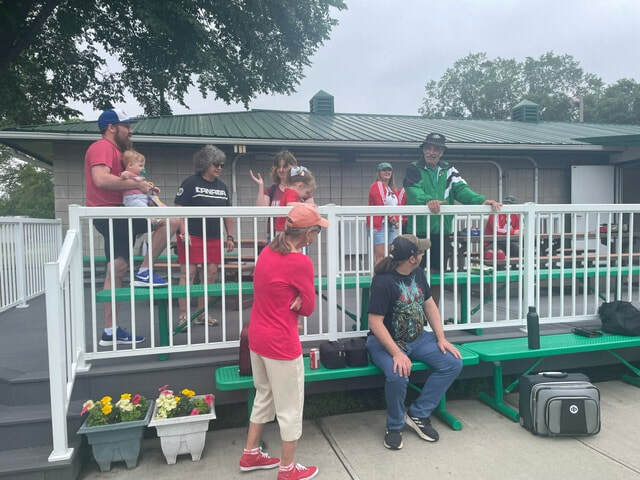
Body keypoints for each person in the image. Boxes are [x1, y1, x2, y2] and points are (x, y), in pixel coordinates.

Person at [240, 203, 328, 480]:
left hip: (257, 336)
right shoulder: (300, 262)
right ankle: (288, 469)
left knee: (264, 395)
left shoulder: (267, 250)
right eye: (317, 231)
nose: (317, 236)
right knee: (290, 407)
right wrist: (300, 298)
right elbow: (309, 308)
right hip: (281, 342)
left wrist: (298, 297)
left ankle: (250, 453)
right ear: (308, 234)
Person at [86, 109, 179, 347]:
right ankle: (145, 271)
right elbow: (100, 179)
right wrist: (139, 186)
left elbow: (122, 182)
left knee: (117, 268)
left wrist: (142, 188)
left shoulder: (118, 152)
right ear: (112, 127)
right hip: (113, 214)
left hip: (118, 213)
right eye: (126, 126)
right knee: (172, 220)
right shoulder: (102, 147)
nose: (130, 130)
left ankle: (110, 330)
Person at [366, 234, 463, 450]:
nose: (423, 254)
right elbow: (375, 323)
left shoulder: (417, 272)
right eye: (421, 252)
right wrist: (396, 353)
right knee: (398, 374)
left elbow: (429, 305)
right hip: (386, 342)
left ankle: (418, 414)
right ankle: (394, 426)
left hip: (418, 338)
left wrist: (441, 338)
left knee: (452, 362)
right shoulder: (383, 281)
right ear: (412, 258)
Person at [403, 132, 501, 304]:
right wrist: (429, 200)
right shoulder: (413, 168)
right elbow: (413, 191)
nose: (432, 152)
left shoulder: (450, 170)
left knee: (437, 274)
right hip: (416, 232)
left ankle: (433, 313)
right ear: (423, 150)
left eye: (436, 149)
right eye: (429, 148)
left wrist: (481, 200)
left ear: (442, 152)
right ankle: (412, 313)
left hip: (441, 231)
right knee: (411, 272)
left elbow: (462, 190)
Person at [175, 145, 235, 326]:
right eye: (216, 164)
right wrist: (183, 231)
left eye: (222, 165)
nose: (219, 168)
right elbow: (179, 209)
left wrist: (230, 236)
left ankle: (202, 314)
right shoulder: (190, 183)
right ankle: (183, 316)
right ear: (205, 163)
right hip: (191, 235)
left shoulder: (222, 187)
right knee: (189, 273)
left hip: (214, 236)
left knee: (211, 274)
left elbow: (228, 214)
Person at [367, 162, 407, 265]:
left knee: (389, 255)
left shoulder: (392, 189)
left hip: (390, 225)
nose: (387, 172)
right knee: (380, 256)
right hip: (379, 225)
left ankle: (386, 275)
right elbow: (381, 203)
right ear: (379, 173)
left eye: (389, 170)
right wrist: (392, 218)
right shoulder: (377, 185)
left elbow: (398, 206)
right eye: (384, 170)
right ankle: (377, 276)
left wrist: (397, 220)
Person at [273, 166, 317, 232]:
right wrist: (307, 205)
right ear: (300, 186)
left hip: (284, 228)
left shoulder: (290, 192)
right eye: (307, 192)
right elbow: (290, 204)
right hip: (283, 229)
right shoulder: (291, 192)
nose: (307, 195)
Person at [484, 194, 520, 260]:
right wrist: (513, 232)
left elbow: (519, 229)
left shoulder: (516, 214)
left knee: (519, 251)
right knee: (493, 253)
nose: (508, 206)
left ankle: (514, 267)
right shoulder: (496, 212)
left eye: (511, 204)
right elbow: (497, 230)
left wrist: (515, 232)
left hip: (509, 242)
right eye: (506, 203)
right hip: (493, 241)